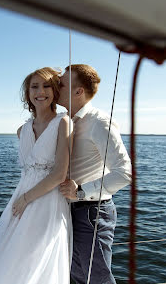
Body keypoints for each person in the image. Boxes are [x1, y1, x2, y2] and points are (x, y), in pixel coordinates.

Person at [0, 67, 73, 284]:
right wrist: (22, 199)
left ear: (55, 90)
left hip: (47, 201)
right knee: (6, 260)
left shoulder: (63, 123)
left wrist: (26, 199)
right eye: (34, 87)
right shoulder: (22, 130)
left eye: (46, 86)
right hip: (19, 200)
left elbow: (58, 174)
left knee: (34, 261)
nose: (40, 92)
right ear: (27, 93)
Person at [58, 64, 131, 284]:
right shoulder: (65, 121)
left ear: (78, 91)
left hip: (91, 213)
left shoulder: (98, 122)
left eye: (61, 84)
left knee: (96, 279)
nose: (55, 87)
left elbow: (124, 172)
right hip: (67, 211)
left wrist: (80, 191)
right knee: (75, 277)